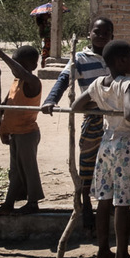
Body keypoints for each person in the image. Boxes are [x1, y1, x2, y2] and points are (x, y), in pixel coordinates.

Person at [71, 40, 130, 258]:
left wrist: (104, 108)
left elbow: (77, 105)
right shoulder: (128, 84)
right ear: (120, 61)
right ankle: (122, 256)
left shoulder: (97, 83)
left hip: (106, 144)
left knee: (104, 200)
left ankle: (103, 250)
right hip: (125, 145)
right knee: (122, 203)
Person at [41, 16, 115, 230]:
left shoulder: (114, 56)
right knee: (87, 163)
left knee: (111, 163)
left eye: (105, 33)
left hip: (114, 119)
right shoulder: (80, 58)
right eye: (97, 32)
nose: (101, 36)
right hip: (93, 118)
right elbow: (64, 80)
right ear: (89, 34)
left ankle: (108, 203)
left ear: (112, 36)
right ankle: (86, 206)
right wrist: (51, 100)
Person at [0, 44, 44, 214]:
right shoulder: (16, 82)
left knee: (28, 168)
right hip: (15, 133)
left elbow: (20, 72)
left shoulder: (33, 82)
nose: (15, 69)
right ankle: (9, 202)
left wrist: (2, 55)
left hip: (27, 133)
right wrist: (2, 130)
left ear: (33, 66)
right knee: (15, 171)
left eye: (19, 64)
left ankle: (33, 202)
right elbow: (5, 107)